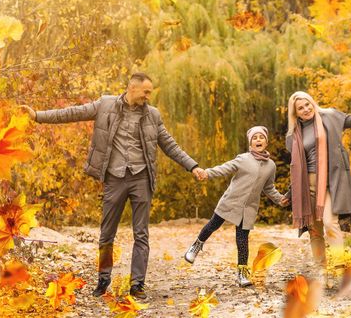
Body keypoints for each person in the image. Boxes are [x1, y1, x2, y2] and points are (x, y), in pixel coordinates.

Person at [20, 72, 205, 299]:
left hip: (141, 179)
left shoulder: (152, 116)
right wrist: (37, 115)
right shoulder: (105, 105)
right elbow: (72, 113)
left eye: (150, 93)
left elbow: (170, 145)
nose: (148, 96)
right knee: (107, 234)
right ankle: (103, 279)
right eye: (145, 92)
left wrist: (193, 166)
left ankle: (137, 284)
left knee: (141, 234)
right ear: (132, 88)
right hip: (114, 179)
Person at [285, 91, 351, 279]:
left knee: (330, 223)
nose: (306, 109)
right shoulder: (293, 135)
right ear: (295, 113)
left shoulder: (330, 116)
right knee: (314, 230)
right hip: (307, 186)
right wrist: (289, 193)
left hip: (329, 183)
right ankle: (321, 270)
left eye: (307, 104)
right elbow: (296, 168)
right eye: (300, 108)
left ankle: (338, 267)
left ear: (313, 103)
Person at [183, 126, 289, 287]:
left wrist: (280, 199)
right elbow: (224, 168)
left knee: (242, 240)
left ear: (266, 142)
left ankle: (242, 273)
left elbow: (269, 188)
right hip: (231, 201)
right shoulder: (243, 159)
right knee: (213, 225)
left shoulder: (271, 166)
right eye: (255, 138)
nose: (258, 140)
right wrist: (207, 173)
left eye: (261, 137)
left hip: (249, 208)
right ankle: (196, 246)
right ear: (250, 143)